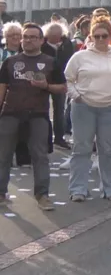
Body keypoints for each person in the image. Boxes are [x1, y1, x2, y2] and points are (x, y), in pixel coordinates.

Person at [64, 17, 111, 202]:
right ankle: (78, 189)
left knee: (108, 150)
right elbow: (68, 79)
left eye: (104, 36)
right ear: (91, 36)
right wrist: (76, 96)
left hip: (110, 108)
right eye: (97, 36)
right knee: (81, 149)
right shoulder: (80, 56)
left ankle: (110, 189)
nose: (101, 39)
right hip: (83, 107)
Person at [0, 23, 67, 211]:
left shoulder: (51, 62)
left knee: (40, 156)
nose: (28, 40)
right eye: (25, 37)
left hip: (38, 115)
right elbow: (2, 88)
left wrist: (46, 86)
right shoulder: (10, 62)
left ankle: (42, 195)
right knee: (3, 155)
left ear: (41, 40)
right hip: (10, 113)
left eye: (33, 37)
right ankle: (0, 193)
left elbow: (63, 88)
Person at [41, 22, 77, 149]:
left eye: (58, 36)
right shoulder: (42, 44)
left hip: (61, 80)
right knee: (43, 109)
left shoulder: (67, 44)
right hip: (45, 80)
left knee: (59, 110)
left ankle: (59, 137)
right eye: (52, 36)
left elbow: (70, 60)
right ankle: (45, 138)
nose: (56, 39)